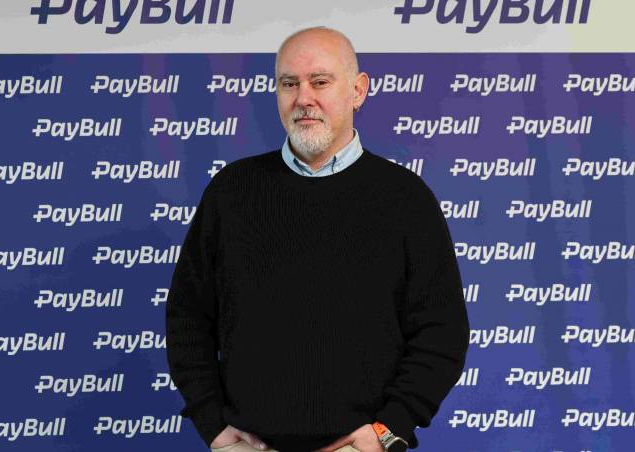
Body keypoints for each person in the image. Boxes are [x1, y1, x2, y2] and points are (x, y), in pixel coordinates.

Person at [166, 26, 470, 452]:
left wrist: (388, 430)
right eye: (289, 83)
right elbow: (188, 317)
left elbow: (442, 333)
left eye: (320, 82)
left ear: (358, 91)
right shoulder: (231, 192)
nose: (303, 98)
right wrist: (212, 424)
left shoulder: (405, 198)